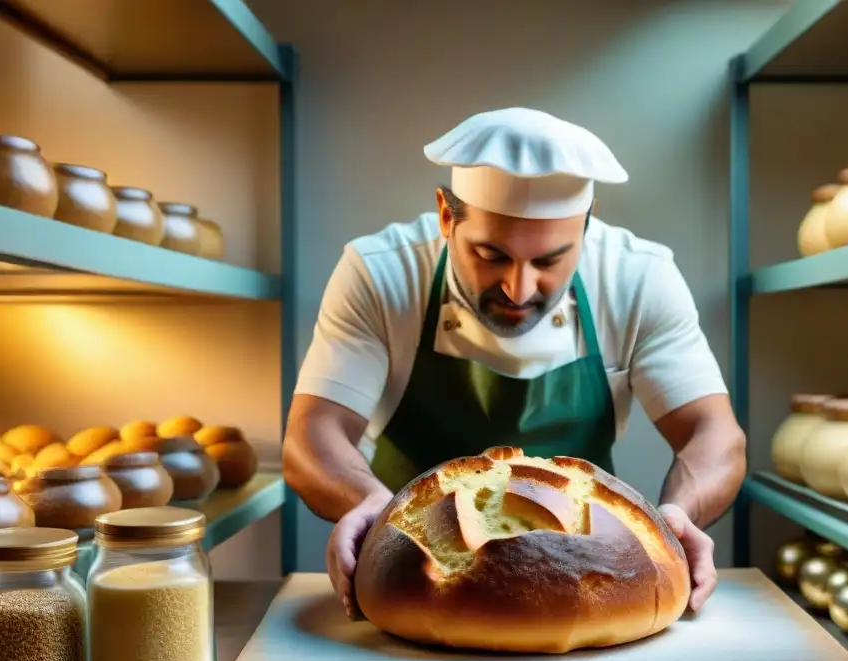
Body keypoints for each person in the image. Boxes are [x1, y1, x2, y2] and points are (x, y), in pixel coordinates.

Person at [283, 107, 746, 619]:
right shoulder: (382, 272)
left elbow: (715, 435)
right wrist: (366, 502)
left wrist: (677, 518)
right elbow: (313, 434)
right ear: (445, 215)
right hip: (416, 569)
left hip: (587, 573)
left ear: (586, 228)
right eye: (490, 254)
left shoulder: (639, 278)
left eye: (549, 262)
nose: (518, 289)